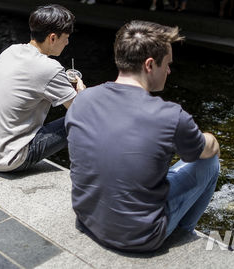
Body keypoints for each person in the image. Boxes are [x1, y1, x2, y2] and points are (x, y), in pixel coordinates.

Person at [66, 20, 220, 252]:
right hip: (140, 236)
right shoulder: (171, 115)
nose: (169, 71)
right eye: (167, 64)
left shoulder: (82, 100)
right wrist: (209, 138)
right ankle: (181, 232)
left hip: (87, 219)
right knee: (210, 160)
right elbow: (205, 151)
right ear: (150, 65)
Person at [0, 5, 85, 172]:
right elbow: (81, 110)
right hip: (6, 159)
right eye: (65, 38)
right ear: (52, 38)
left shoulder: (10, 51)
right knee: (82, 117)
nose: (67, 43)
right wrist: (81, 92)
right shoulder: (50, 68)